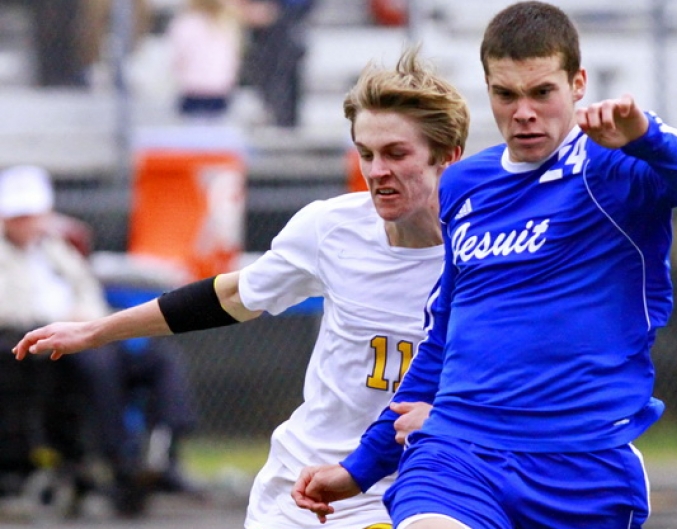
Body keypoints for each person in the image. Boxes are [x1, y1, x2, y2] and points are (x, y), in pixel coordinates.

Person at [290, 3, 677, 529]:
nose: (524, 111)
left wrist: (643, 134)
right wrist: (360, 468)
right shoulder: (466, 185)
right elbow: (443, 339)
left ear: (577, 83)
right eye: (505, 94)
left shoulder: (613, 165)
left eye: (542, 92)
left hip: (582, 468)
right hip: (456, 454)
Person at [13, 47, 470, 529]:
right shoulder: (331, 227)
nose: (377, 171)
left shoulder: (494, 254)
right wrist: (96, 332)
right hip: (307, 485)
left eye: (397, 154)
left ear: (448, 157)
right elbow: (230, 297)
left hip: (422, 485)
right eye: (367, 154)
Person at [0, 165, 197, 516]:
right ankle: (119, 458)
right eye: (20, 215)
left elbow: (88, 291)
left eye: (32, 214)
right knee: (99, 363)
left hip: (88, 331)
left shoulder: (57, 249)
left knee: (158, 358)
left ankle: (165, 447)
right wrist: (59, 324)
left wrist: (87, 321)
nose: (28, 223)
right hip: (42, 343)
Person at [239, 0, 317, 127]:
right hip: (253, 22)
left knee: (282, 62)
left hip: (284, 22)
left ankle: (282, 117)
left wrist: (275, 10)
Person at [167, 0, 243, 119]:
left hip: (194, 90)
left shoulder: (186, 22)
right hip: (218, 90)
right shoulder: (227, 23)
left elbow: (178, 58)